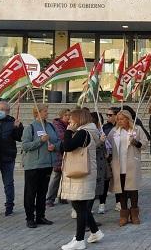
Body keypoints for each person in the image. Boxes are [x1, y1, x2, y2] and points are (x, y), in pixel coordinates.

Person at [59, 109, 104, 250]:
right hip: (84, 173)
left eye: (72, 119)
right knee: (81, 206)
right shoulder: (89, 131)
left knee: (79, 206)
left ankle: (79, 240)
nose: (69, 122)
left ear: (79, 119)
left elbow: (67, 146)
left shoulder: (83, 132)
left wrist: (68, 131)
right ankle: (95, 232)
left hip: (81, 174)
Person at [21, 104, 60, 229]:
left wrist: (55, 146)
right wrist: (40, 141)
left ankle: (40, 216)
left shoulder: (50, 126)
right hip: (33, 165)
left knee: (42, 192)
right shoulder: (30, 128)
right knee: (31, 193)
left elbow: (58, 141)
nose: (47, 113)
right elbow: (25, 146)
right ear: (37, 113)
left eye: (47, 111)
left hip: (47, 164)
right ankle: (30, 218)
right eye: (44, 111)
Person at [108, 110, 148, 226]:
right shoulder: (114, 131)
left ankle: (134, 213)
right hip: (118, 164)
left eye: (122, 119)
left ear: (128, 119)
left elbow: (145, 144)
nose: (119, 121)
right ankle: (124, 214)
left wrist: (135, 142)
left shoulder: (137, 129)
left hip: (132, 164)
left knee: (133, 190)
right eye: (118, 119)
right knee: (122, 191)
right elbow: (108, 144)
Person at [0, 101, 23, 217]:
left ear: (8, 111)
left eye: (2, 109)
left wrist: (18, 128)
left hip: (8, 157)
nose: (0, 111)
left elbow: (18, 138)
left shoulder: (13, 122)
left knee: (8, 184)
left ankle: (9, 207)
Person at [46, 108, 69, 208]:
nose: (68, 117)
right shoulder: (57, 125)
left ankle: (63, 196)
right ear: (61, 116)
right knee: (57, 177)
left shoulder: (68, 125)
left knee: (65, 177)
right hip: (58, 154)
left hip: (66, 154)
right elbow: (62, 137)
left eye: (69, 115)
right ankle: (50, 198)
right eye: (66, 115)